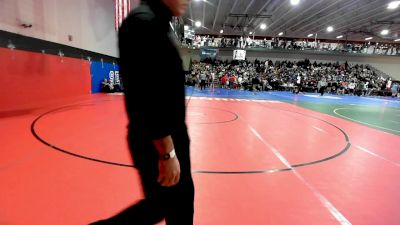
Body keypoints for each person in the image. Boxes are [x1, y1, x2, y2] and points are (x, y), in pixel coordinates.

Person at [89, 0, 194, 224]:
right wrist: (167, 152)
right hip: (157, 140)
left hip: (171, 136)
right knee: (160, 206)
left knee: (181, 206)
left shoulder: (159, 24)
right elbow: (145, 93)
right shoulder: (143, 23)